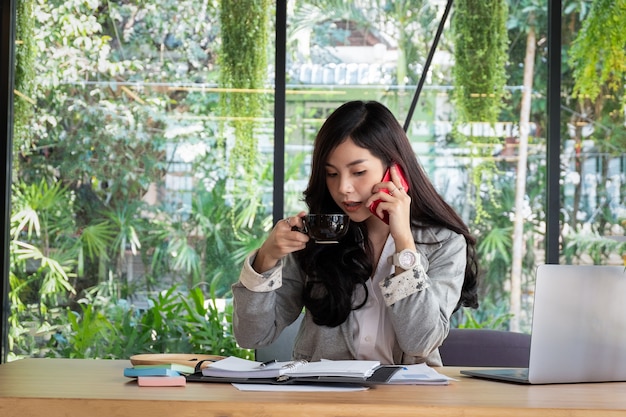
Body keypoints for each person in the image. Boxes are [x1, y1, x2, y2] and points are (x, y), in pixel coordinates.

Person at [232, 100, 479, 366]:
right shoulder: (318, 235)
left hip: (408, 403)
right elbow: (252, 336)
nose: (343, 188)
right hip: (323, 400)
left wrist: (404, 243)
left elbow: (420, 341)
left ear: (394, 171)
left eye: (358, 172)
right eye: (331, 174)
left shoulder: (443, 243)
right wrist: (265, 259)